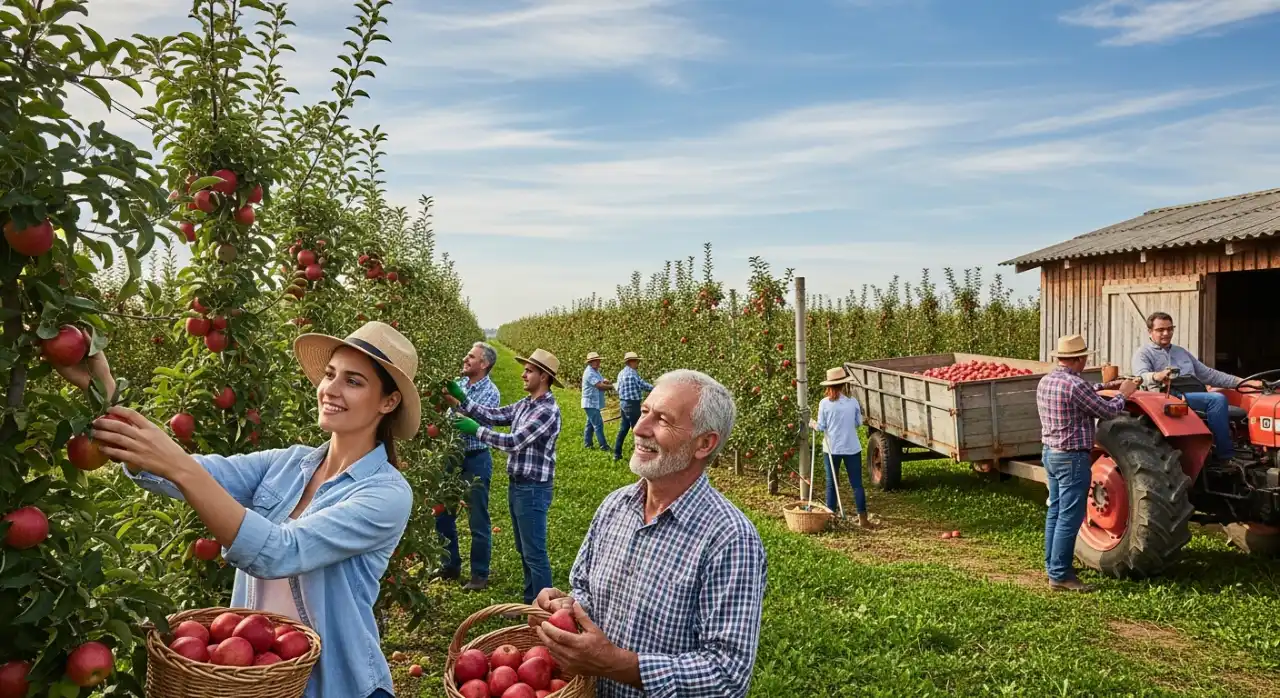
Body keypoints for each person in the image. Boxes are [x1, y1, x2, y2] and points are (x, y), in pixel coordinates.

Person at [56, 321, 418, 698]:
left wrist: (180, 467)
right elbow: (165, 470)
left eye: (353, 381)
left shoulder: (386, 495)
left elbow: (279, 552)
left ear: (388, 402)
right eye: (330, 374)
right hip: (256, 677)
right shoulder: (286, 464)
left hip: (338, 684)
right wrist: (105, 393)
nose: (331, 389)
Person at [531, 370, 768, 698]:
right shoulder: (615, 506)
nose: (640, 429)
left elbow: (726, 675)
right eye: (644, 412)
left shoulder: (730, 539)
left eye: (663, 419)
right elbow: (585, 588)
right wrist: (567, 607)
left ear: (704, 443)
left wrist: (617, 664)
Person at [448, 348, 563, 605]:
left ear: (543, 377)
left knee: (534, 552)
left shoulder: (546, 410)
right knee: (524, 549)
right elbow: (495, 415)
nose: (523, 374)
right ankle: (529, 601)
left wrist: (476, 431)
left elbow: (514, 442)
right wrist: (463, 400)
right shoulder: (526, 404)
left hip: (533, 488)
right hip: (518, 484)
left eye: (529, 371)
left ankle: (542, 610)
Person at [1036, 334, 1138, 593]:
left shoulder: (1048, 381)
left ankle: (1053, 565)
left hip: (1051, 453)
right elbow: (1108, 412)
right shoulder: (1074, 386)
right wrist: (1123, 394)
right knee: (1071, 516)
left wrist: (1109, 385)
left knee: (1056, 511)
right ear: (1079, 359)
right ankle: (1060, 575)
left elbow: (1084, 391)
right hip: (1072, 457)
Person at [1132, 311, 1263, 463]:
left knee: (1244, 403)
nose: (1166, 333)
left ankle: (1251, 449)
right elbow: (1140, 377)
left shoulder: (1181, 352)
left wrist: (1246, 382)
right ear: (1150, 331)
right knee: (1217, 400)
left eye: (1170, 328)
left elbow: (1210, 375)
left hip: (1193, 395)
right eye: (1161, 330)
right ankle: (1226, 456)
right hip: (1167, 398)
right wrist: (1157, 376)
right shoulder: (1143, 354)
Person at [436, 341, 501, 591]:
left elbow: (476, 418)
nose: (465, 359)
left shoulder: (491, 392)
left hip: (475, 457)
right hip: (451, 455)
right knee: (442, 512)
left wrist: (453, 401)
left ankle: (479, 575)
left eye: (471, 357)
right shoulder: (459, 383)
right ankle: (449, 565)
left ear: (483, 364)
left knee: (478, 517)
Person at [808, 367, 872, 528]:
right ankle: (863, 518)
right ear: (843, 385)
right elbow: (858, 423)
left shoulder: (824, 404)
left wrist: (812, 424)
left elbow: (821, 427)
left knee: (832, 483)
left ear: (829, 386)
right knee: (857, 484)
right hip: (852, 448)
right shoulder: (852, 403)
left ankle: (831, 517)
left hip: (832, 449)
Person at [611, 351, 652, 463]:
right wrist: (655, 388)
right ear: (631, 362)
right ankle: (640, 456)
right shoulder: (632, 374)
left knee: (623, 429)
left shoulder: (621, 373)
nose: (638, 363)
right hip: (632, 404)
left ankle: (617, 453)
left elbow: (617, 388)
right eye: (637, 361)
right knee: (638, 429)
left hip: (624, 403)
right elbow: (642, 384)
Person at [581, 351, 612, 452]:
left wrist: (605, 380)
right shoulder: (589, 372)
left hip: (593, 402)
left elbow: (600, 381)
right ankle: (604, 446)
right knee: (598, 424)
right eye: (596, 361)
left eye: (599, 360)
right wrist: (613, 386)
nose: (598, 362)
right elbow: (599, 386)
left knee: (590, 424)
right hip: (590, 402)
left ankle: (587, 444)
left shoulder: (595, 371)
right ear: (591, 362)